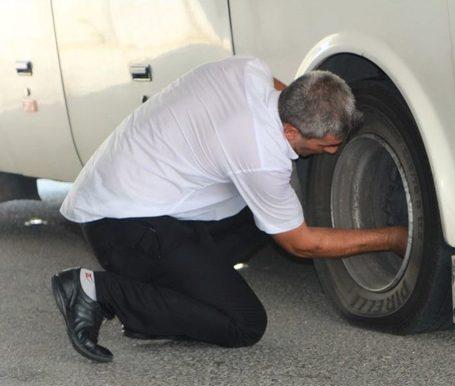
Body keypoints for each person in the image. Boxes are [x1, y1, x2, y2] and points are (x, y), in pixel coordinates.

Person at [51, 56, 408, 363]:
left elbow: (291, 98)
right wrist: (392, 237)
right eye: (326, 145)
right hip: (122, 225)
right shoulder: (260, 156)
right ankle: (94, 289)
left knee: (262, 218)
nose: (332, 153)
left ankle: (162, 309)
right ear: (288, 131)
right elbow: (302, 243)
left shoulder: (251, 71)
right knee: (244, 323)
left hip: (135, 196)